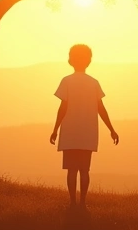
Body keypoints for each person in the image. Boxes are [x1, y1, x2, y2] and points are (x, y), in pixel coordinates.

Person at [49, 44, 119, 207]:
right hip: (88, 132)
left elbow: (63, 107)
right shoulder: (93, 82)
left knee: (71, 170)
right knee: (85, 170)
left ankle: (73, 202)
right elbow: (101, 108)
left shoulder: (66, 81)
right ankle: (83, 203)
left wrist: (55, 130)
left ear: (70, 60)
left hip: (70, 133)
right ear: (89, 61)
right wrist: (111, 129)